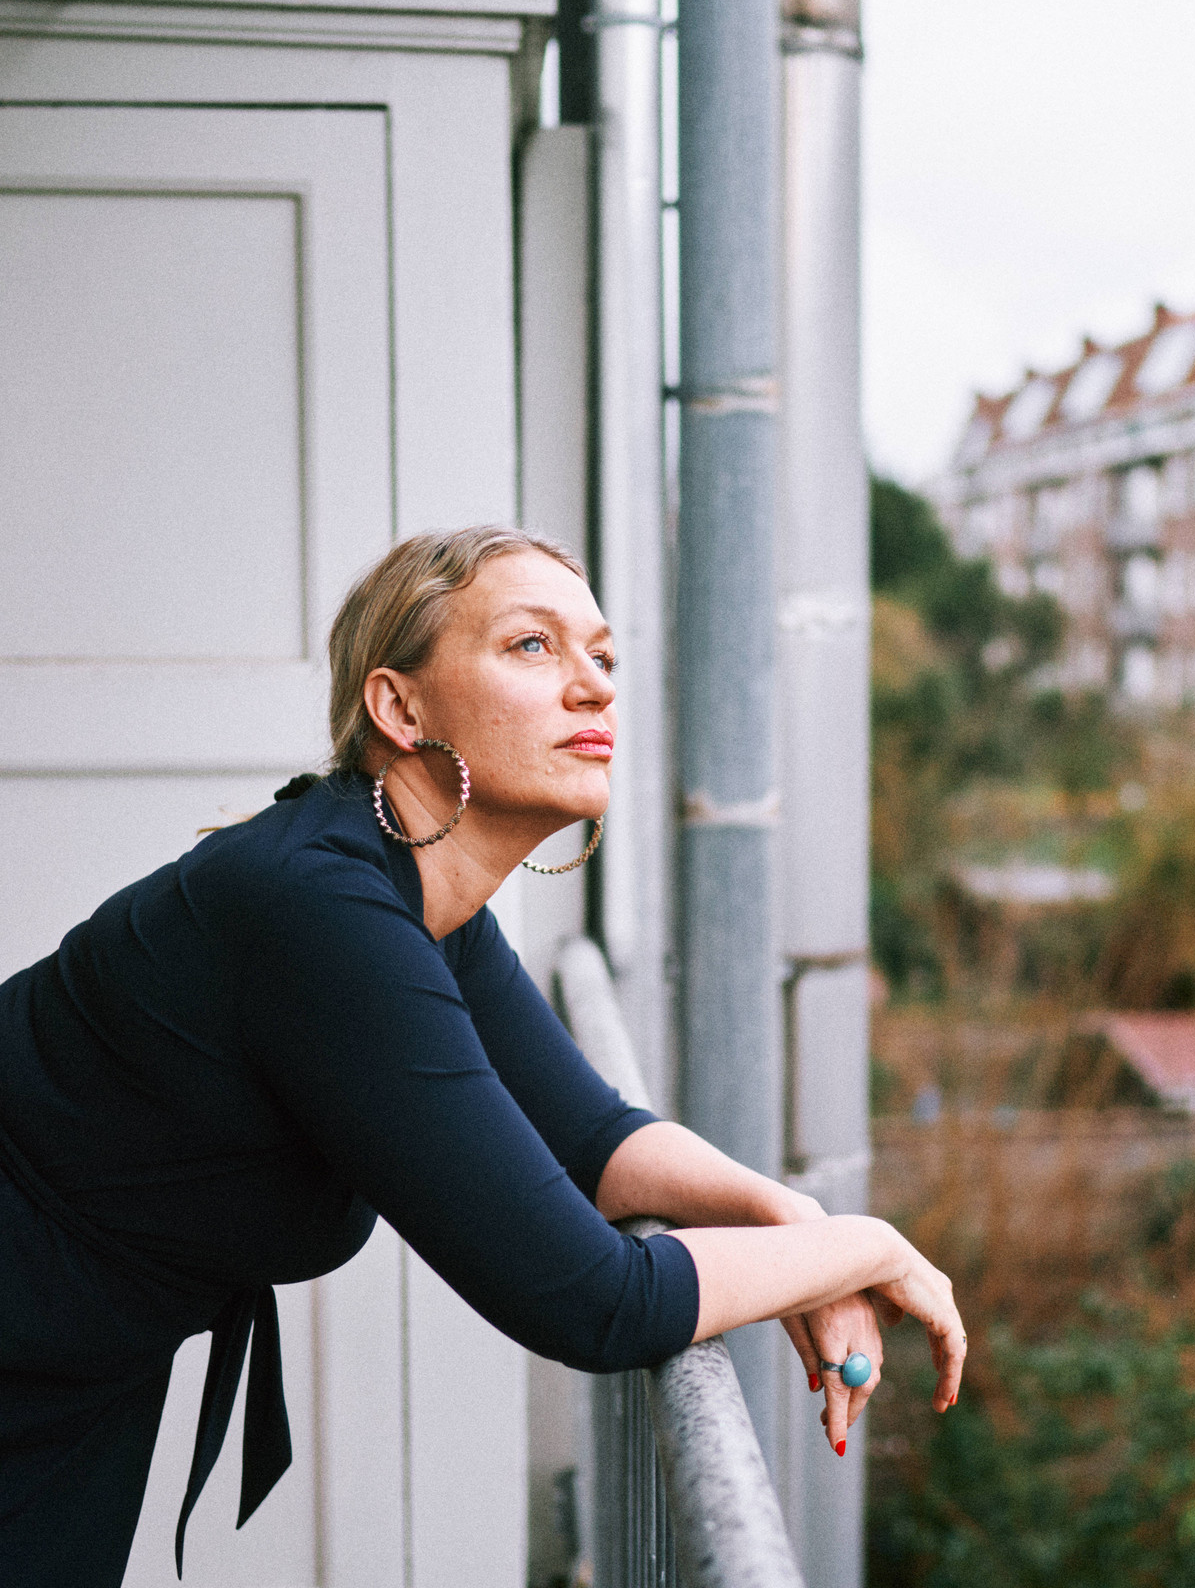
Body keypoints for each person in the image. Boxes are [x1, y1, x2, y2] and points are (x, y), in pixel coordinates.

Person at [0, 525, 965, 1587]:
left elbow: (595, 1141)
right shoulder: (322, 908)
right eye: (532, 646)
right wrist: (871, 1247)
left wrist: (796, 1222)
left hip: (69, 1365)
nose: (594, 688)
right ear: (400, 708)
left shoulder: (414, 900)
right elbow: (594, 1299)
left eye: (601, 654)